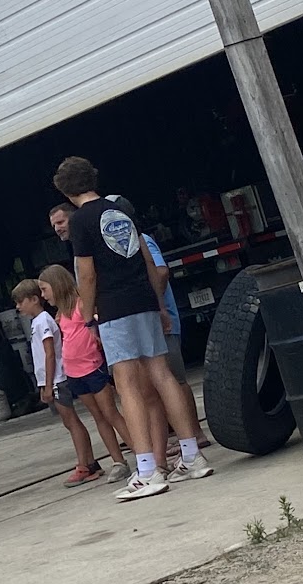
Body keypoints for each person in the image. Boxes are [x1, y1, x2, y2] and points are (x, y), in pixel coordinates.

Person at [54, 157, 214, 501]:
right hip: (144, 299)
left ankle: (146, 470)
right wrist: (159, 305)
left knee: (127, 386)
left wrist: (88, 316)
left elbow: (87, 275)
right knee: (163, 375)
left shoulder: (81, 221)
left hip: (114, 307)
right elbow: (147, 260)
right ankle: (192, 456)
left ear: (66, 192)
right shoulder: (122, 209)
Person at [36, 263, 134, 483]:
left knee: (110, 413)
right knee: (98, 416)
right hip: (74, 373)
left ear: (57, 285)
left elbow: (97, 323)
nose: (43, 295)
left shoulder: (82, 305)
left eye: (44, 289)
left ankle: (141, 453)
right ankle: (118, 461)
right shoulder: (60, 314)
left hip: (92, 367)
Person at [107, 195, 200, 424]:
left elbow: (161, 271)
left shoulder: (143, 241)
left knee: (175, 378)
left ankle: (194, 432)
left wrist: (153, 303)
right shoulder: (125, 244)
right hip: (150, 321)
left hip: (161, 321)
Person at [13, 278, 99, 484]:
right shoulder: (37, 322)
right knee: (69, 422)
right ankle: (89, 462)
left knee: (72, 421)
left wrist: (49, 384)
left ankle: (84, 465)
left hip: (57, 379)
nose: (17, 307)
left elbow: (49, 353)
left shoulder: (43, 320)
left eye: (20, 301)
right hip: (52, 380)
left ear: (34, 299)